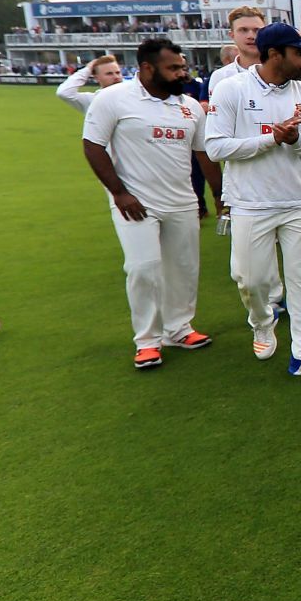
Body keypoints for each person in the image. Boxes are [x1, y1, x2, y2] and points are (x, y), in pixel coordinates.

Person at [80, 37, 226, 369]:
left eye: (183, 67)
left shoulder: (189, 106)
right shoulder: (113, 99)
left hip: (182, 201)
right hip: (135, 202)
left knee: (184, 269)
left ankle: (179, 328)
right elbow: (93, 146)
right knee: (143, 269)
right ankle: (147, 340)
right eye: (173, 68)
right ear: (147, 68)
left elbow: (203, 153)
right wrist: (119, 193)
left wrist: (218, 195)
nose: (181, 73)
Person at [203, 23, 301, 378]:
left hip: (299, 203)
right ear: (275, 54)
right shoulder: (231, 89)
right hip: (250, 204)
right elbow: (215, 147)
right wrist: (270, 139)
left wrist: (296, 142)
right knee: (250, 280)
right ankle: (261, 321)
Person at [207, 6, 267, 98]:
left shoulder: (281, 72)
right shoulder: (220, 76)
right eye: (243, 30)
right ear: (232, 35)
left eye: (257, 30)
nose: (251, 36)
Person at [55, 55, 124, 111]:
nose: (116, 76)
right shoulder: (92, 100)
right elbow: (64, 92)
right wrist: (87, 69)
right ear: (97, 78)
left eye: (118, 72)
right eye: (109, 74)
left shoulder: (132, 92)